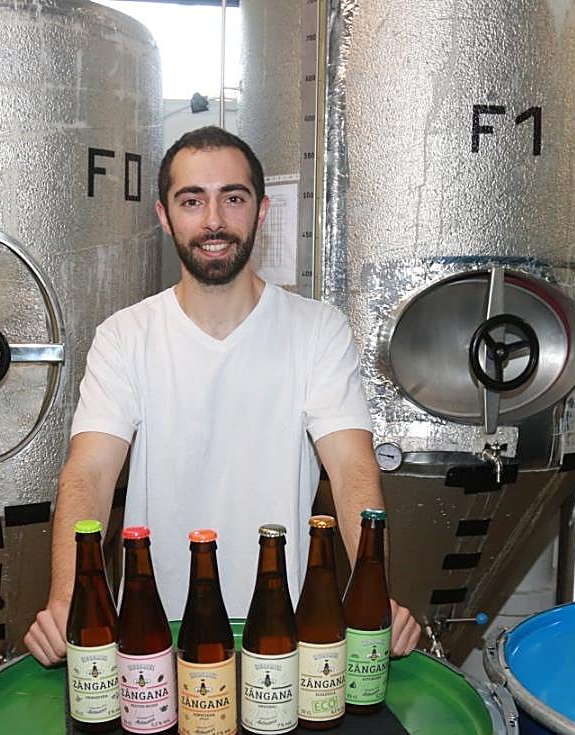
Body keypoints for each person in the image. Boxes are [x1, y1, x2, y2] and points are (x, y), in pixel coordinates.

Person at [24, 126, 421, 667]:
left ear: (261, 211)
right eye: (192, 201)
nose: (213, 221)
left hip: (284, 641)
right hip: (152, 643)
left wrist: (374, 594)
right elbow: (88, 473)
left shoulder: (317, 330)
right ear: (165, 216)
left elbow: (352, 468)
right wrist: (68, 600)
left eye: (233, 198)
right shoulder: (125, 336)